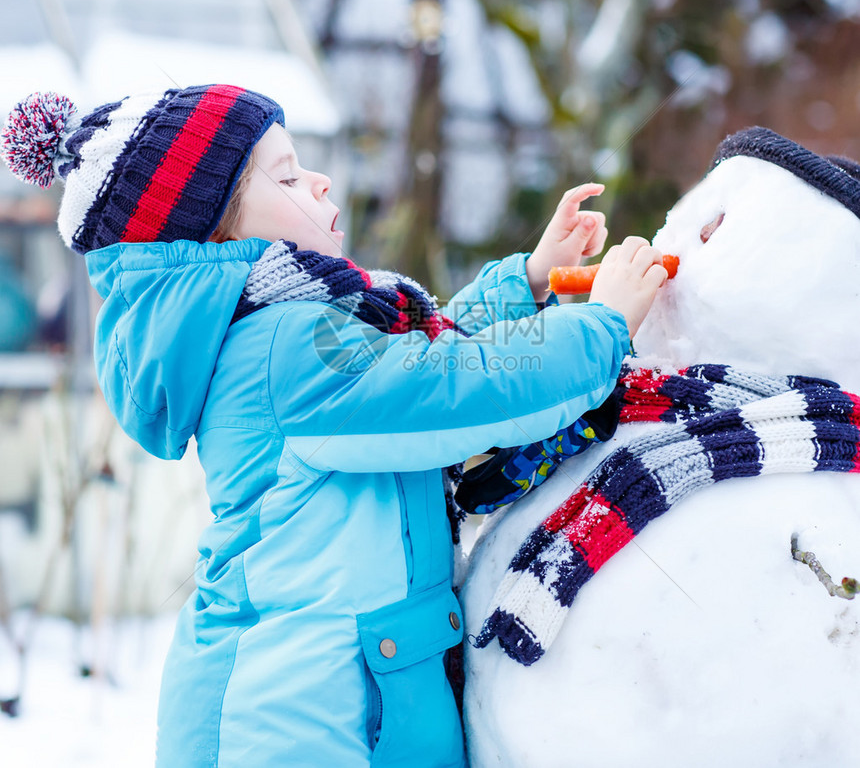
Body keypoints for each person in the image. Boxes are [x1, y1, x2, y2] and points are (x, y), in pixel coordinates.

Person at [0, 84, 667, 767]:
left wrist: (525, 282)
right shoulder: (283, 346)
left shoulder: (289, 333)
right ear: (218, 231)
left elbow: (414, 373)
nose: (318, 180)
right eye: (287, 175)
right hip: (289, 723)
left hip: (329, 709)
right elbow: (455, 388)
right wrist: (600, 326)